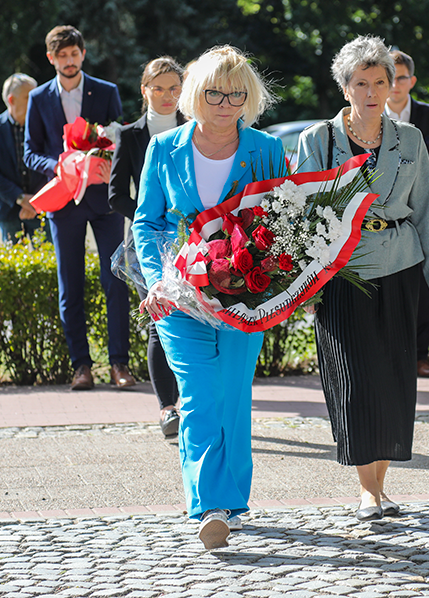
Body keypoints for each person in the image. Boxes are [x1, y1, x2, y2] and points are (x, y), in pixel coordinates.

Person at [132, 45, 284, 549]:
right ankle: (209, 505)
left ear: (249, 98)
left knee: (233, 396)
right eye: (215, 92)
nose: (225, 102)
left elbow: (283, 220)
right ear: (196, 93)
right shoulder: (165, 148)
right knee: (197, 396)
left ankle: (232, 499)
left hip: (246, 295)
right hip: (180, 294)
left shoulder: (265, 149)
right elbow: (148, 222)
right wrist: (156, 279)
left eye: (236, 94)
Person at [295, 35, 429, 522]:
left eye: (379, 81)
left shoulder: (411, 139)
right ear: (345, 88)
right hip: (343, 273)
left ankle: (381, 488)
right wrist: (308, 285)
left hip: (402, 268)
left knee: (394, 377)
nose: (370, 91)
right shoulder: (317, 140)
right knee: (355, 380)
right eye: (360, 83)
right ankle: (365, 491)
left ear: (392, 86)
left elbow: (428, 213)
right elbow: (302, 218)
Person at [24, 25, 134, 391]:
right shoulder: (39, 99)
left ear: (83, 54)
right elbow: (30, 152)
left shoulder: (106, 91)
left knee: (114, 280)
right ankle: (81, 366)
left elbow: (117, 137)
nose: (69, 61)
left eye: (74, 54)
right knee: (70, 286)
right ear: (51, 58)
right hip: (64, 201)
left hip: (104, 201)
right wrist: (61, 164)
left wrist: (100, 152)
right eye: (62, 55)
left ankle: (120, 364)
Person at [109, 57, 187, 438]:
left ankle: (191, 401)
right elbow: (114, 195)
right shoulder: (131, 135)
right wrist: (151, 217)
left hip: (191, 240)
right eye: (159, 88)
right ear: (145, 91)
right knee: (160, 320)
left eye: (174, 87)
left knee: (190, 320)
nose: (168, 95)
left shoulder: (196, 130)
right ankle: (167, 408)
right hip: (147, 242)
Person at [386, 49, 429, 379]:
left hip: (421, 207)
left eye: (401, 77)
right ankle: (389, 354)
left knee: (426, 285)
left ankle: (421, 355)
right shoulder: (368, 114)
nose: (395, 84)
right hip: (384, 212)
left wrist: (417, 170)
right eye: (390, 77)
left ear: (411, 81)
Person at [0, 73, 48, 244]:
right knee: (14, 268)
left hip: (42, 209)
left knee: (48, 265)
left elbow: (51, 163)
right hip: (8, 210)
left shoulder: (45, 126)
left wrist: (35, 202)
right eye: (29, 97)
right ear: (11, 100)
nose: (36, 101)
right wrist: (20, 198)